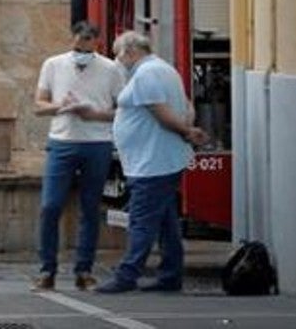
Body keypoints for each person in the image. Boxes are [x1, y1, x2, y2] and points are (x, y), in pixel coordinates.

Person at [96, 31, 209, 294]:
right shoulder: (164, 69)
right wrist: (187, 127)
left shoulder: (147, 74)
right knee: (166, 220)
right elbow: (186, 105)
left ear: (131, 51)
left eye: (118, 53)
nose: (117, 60)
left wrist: (185, 132)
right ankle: (171, 275)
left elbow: (161, 112)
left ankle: (127, 275)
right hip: (158, 158)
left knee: (141, 220)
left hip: (151, 161)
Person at [32, 21, 125, 291]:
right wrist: (59, 106)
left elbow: (121, 110)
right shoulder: (53, 65)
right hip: (62, 140)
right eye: (77, 42)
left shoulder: (110, 69)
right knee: (50, 206)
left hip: (97, 142)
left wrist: (93, 114)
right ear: (72, 39)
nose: (81, 48)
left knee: (90, 208)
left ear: (96, 42)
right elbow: (39, 105)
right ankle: (47, 268)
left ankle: (83, 269)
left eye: (87, 42)